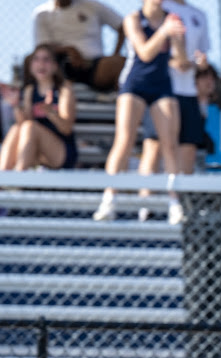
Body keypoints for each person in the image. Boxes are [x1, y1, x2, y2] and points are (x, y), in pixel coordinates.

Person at [92, 0, 186, 224]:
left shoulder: (171, 19)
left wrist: (178, 40)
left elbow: (181, 60)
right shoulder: (134, 19)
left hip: (161, 84)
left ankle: (175, 203)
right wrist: (164, 31)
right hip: (135, 83)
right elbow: (144, 53)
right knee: (124, 140)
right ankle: (109, 199)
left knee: (170, 144)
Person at [136, 0, 209, 222]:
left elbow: (198, 58)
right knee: (154, 146)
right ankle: (145, 206)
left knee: (187, 149)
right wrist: (177, 61)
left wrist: (198, 63)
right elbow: (150, 50)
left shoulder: (199, 15)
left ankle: (179, 206)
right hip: (162, 90)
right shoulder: (161, 10)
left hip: (188, 92)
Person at [0, 44, 77, 171]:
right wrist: (16, 105)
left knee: (31, 127)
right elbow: (23, 124)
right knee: (16, 128)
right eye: (36, 59)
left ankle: (19, 176)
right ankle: (3, 176)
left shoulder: (63, 89)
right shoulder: (30, 90)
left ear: (55, 66)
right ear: (31, 66)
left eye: (46, 59)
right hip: (36, 150)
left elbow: (66, 129)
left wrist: (50, 112)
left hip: (60, 151)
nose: (41, 64)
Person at [33, 0, 126, 93]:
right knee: (33, 61)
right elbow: (42, 46)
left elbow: (123, 26)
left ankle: (122, 98)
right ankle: (36, 98)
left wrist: (116, 53)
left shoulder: (92, 5)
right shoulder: (42, 13)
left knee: (119, 63)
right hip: (59, 66)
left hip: (94, 65)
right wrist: (69, 50)